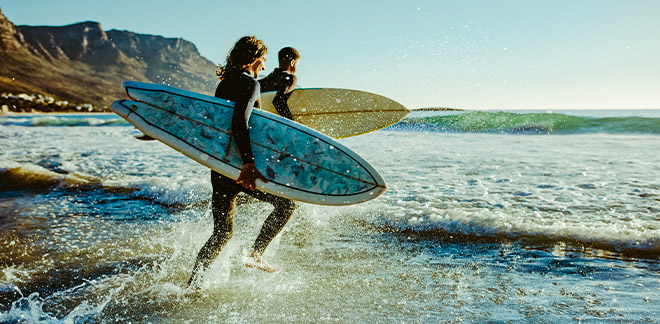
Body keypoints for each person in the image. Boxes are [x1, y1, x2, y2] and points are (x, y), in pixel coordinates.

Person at [188, 36, 295, 287]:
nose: (264, 67)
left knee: (222, 233)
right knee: (287, 205)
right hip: (241, 167)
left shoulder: (224, 84)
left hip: (221, 166)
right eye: (264, 61)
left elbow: (221, 124)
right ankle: (256, 254)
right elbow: (240, 122)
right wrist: (248, 164)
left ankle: (193, 286)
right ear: (255, 58)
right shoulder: (250, 84)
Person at [258, 47, 300, 120]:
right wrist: (292, 122)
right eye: (298, 64)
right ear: (292, 62)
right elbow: (278, 102)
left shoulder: (268, 79)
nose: (297, 66)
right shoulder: (291, 78)